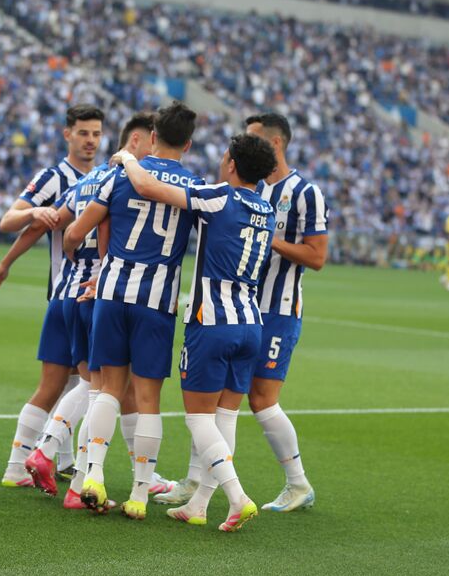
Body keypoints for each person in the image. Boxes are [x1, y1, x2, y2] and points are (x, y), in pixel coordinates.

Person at [112, 132, 277, 531]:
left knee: (199, 420)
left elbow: (147, 186)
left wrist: (127, 158)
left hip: (213, 322)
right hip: (251, 321)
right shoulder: (268, 209)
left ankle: (237, 497)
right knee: (226, 419)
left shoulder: (221, 196)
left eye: (225, 156)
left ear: (233, 164)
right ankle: (199, 505)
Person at [63, 101, 202, 520]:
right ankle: (140, 494)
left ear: (153, 136)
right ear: (189, 144)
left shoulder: (122, 174)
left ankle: (95, 474)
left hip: (112, 292)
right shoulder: (193, 187)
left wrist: (77, 258)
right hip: (157, 301)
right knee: (147, 399)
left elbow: (75, 231)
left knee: (107, 389)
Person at [0, 104, 104, 489]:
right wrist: (34, 213)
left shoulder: (104, 176)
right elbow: (10, 221)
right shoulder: (55, 177)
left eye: (96, 134)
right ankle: (48, 458)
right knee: (85, 384)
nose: (90, 141)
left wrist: (6, 264)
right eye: (83, 133)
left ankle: (51, 460)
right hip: (71, 293)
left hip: (78, 295)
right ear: (67, 135)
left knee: (73, 383)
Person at [246, 112, 327, 512]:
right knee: (219, 395)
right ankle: (197, 480)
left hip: (278, 310)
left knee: (261, 398)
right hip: (242, 306)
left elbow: (317, 256)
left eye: (253, 139)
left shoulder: (305, 193)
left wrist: (271, 240)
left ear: (275, 144)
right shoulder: (256, 189)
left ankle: (298, 484)